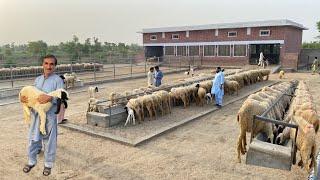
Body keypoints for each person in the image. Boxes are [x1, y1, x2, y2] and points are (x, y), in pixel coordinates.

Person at [20, 55, 64, 176]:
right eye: (46, 63)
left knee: (49, 140)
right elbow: (32, 95)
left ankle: (48, 164)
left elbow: (62, 96)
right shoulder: (38, 79)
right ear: (42, 64)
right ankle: (31, 161)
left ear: (55, 66)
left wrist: (50, 97)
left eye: (51, 64)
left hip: (49, 116)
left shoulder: (58, 80)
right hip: (35, 115)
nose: (48, 66)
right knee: (33, 138)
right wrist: (25, 100)